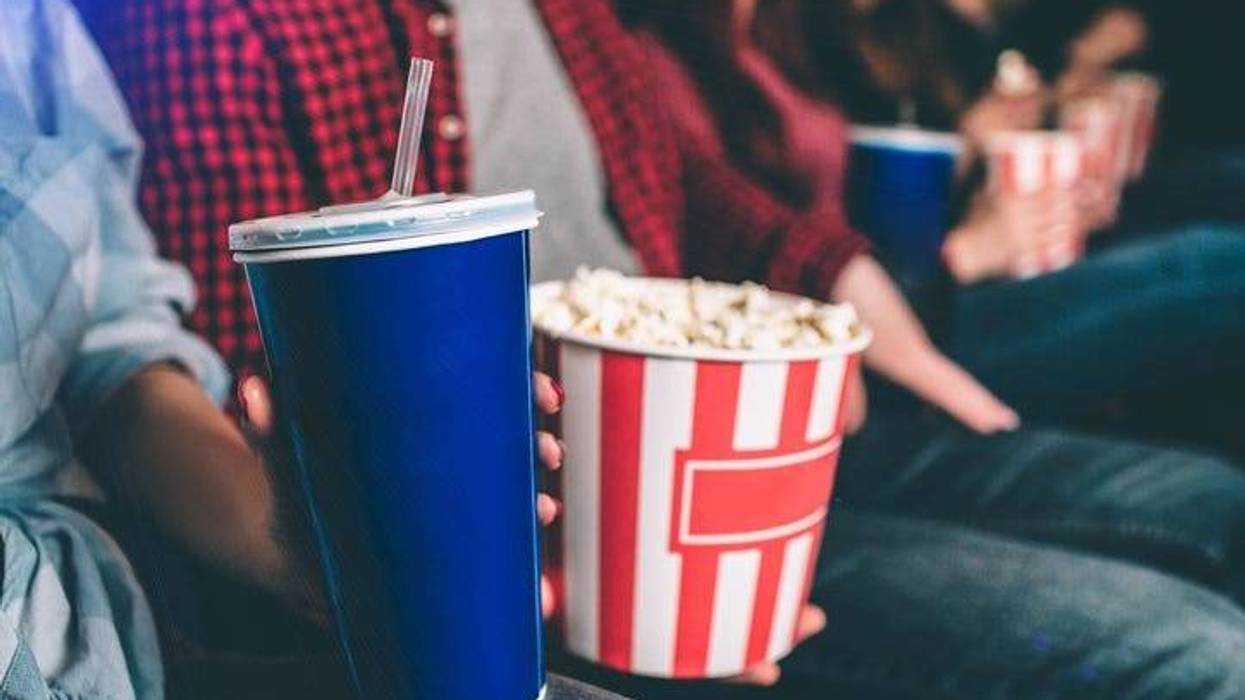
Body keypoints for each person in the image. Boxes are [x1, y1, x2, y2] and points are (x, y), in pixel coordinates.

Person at [78, 0, 1245, 698]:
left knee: (1207, 503)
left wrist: (856, 294)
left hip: (749, 421)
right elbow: (276, 347)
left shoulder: (573, 13)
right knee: (1197, 654)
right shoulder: (222, 23)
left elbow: (698, 188)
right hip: (569, 518)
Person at [609, 1, 1245, 698]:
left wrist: (975, 157)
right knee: (1216, 266)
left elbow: (826, 220)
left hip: (891, 321)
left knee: (1216, 493)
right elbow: (719, 263)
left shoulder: (803, 33)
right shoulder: (648, 56)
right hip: (848, 352)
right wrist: (956, 254)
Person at [0, 3, 627, 698]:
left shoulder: (33, 25)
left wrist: (309, 542)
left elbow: (111, 368)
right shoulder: (213, 22)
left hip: (103, 644)